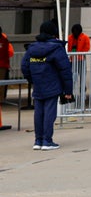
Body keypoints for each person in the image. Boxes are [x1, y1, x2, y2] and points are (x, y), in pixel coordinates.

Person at [22, 20, 73, 150]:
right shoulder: (56, 48)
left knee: (38, 112)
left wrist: (32, 80)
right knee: (49, 113)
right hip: (52, 85)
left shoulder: (32, 49)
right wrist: (68, 90)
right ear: (53, 33)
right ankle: (47, 141)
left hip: (38, 84)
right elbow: (65, 70)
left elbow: (25, 66)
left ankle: (38, 140)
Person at [67, 23, 91, 98]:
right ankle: (71, 93)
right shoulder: (70, 38)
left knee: (82, 78)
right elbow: (68, 47)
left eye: (76, 31)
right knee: (71, 78)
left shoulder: (85, 37)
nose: (75, 33)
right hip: (72, 61)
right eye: (73, 31)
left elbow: (87, 48)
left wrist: (79, 54)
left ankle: (82, 93)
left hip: (81, 60)